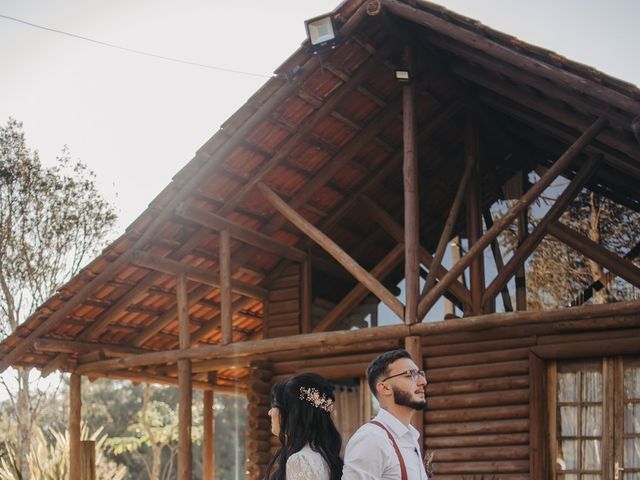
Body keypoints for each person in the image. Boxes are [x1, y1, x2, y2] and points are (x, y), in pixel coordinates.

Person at [342, 349, 429, 480]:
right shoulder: (371, 438)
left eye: (420, 374)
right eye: (410, 374)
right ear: (385, 388)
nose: (423, 381)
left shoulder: (410, 437)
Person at [265, 372, 343, 480]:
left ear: (294, 413)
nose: (270, 412)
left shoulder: (300, 460)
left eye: (275, 405)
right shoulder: (322, 456)